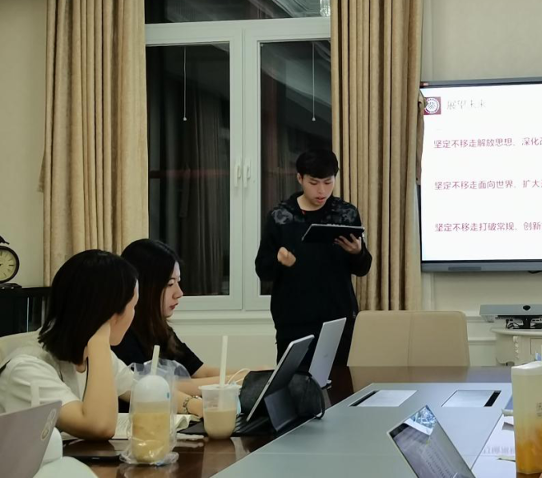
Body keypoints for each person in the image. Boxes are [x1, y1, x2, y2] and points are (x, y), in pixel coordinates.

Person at [0, 250, 203, 441]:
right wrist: (99, 338)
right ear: (110, 313)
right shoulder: (27, 369)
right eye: (133, 306)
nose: (133, 316)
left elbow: (144, 389)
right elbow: (99, 426)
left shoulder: (88, 353)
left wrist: (196, 405)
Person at [255, 149, 372, 366]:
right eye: (314, 182)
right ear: (300, 178)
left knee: (340, 382)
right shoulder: (281, 217)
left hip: (339, 320)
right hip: (294, 322)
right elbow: (262, 270)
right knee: (296, 382)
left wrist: (358, 253)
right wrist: (279, 261)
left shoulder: (345, 213)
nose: (321, 190)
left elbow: (362, 268)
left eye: (328, 182)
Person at [113, 239, 253, 396]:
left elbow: (202, 372)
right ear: (143, 287)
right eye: (170, 284)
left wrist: (252, 374)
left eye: (178, 282)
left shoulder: (160, 329)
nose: (179, 293)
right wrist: (240, 381)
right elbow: (158, 387)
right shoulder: (121, 335)